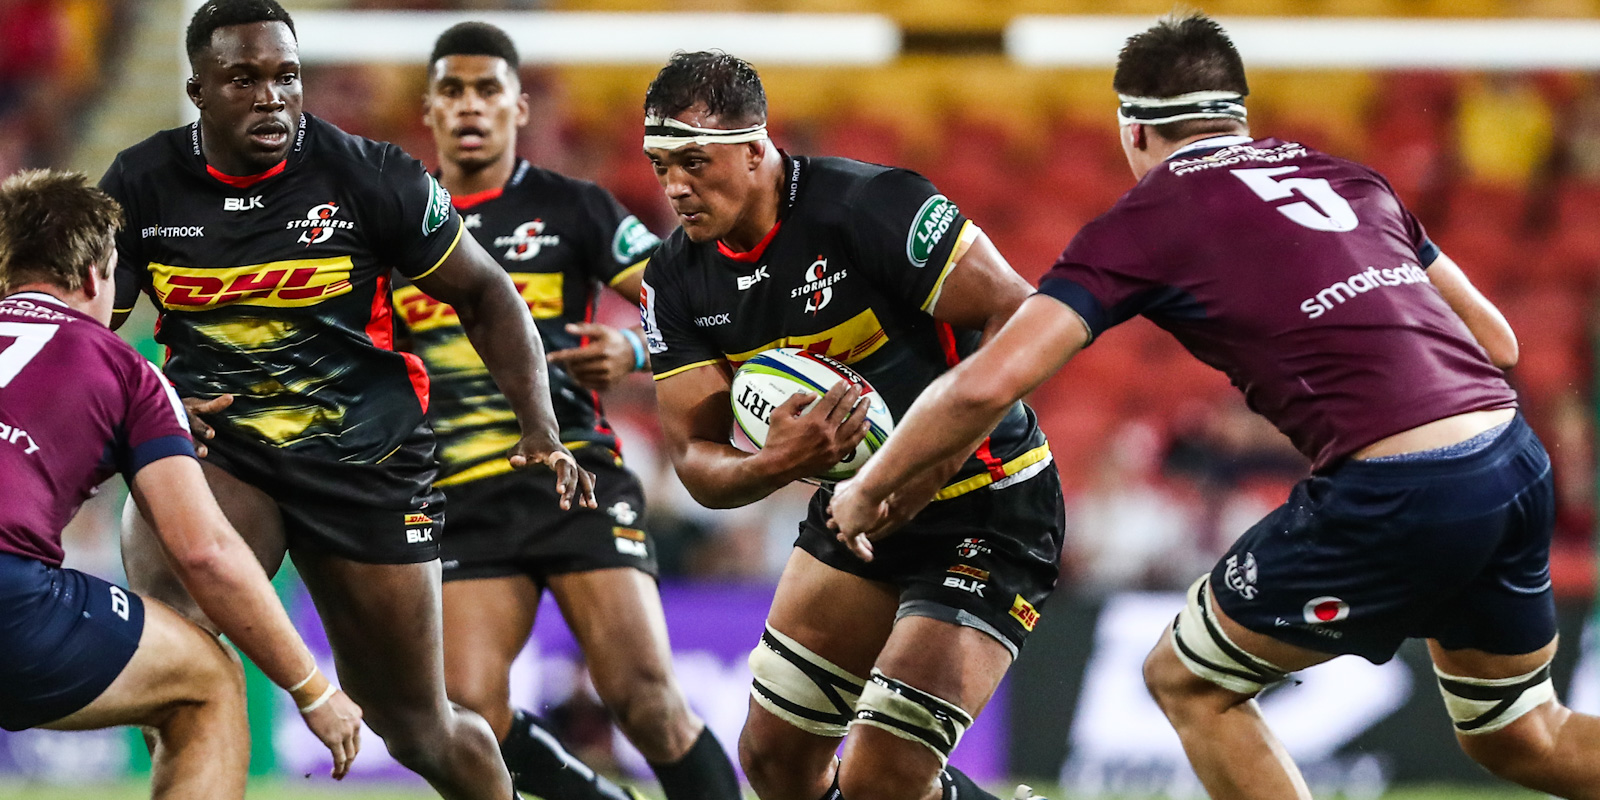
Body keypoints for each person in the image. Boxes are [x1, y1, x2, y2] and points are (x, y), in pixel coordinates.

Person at [830, 13, 1600, 800]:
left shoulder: (1150, 218)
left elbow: (989, 383)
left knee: (1188, 680)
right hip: (1511, 458)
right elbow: (1499, 341)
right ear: (1238, 113)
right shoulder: (1348, 177)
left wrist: (867, 489)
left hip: (1402, 486)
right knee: (1524, 734)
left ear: (1133, 131)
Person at [102, 2, 596, 798]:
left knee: (416, 726)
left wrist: (540, 424)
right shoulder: (140, 183)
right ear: (197, 90)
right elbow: (87, 327)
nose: (271, 97)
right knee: (176, 658)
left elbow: (487, 293)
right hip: (223, 454)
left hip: (366, 460)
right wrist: (149, 396)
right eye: (244, 78)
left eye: (286, 77)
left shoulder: (369, 175)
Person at [639, 51, 1061, 800]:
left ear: (755, 148)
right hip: (856, 513)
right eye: (660, 165)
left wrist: (919, 468)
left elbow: (1022, 317)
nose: (675, 186)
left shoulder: (871, 205)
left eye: (694, 162)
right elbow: (696, 459)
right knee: (774, 761)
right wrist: (774, 463)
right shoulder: (673, 279)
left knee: (883, 776)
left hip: (986, 499)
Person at [396, 22, 740, 800]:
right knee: (469, 714)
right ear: (430, 109)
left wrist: (638, 353)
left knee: (645, 700)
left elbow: (696, 301)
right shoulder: (399, 225)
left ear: (518, 107)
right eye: (453, 90)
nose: (471, 105)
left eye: (488, 89)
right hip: (460, 495)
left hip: (572, 478)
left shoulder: (573, 207)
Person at [0, 168, 363, 797]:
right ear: (93, 275)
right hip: (9, 599)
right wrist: (312, 688)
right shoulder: (125, 370)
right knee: (209, 680)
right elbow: (205, 551)